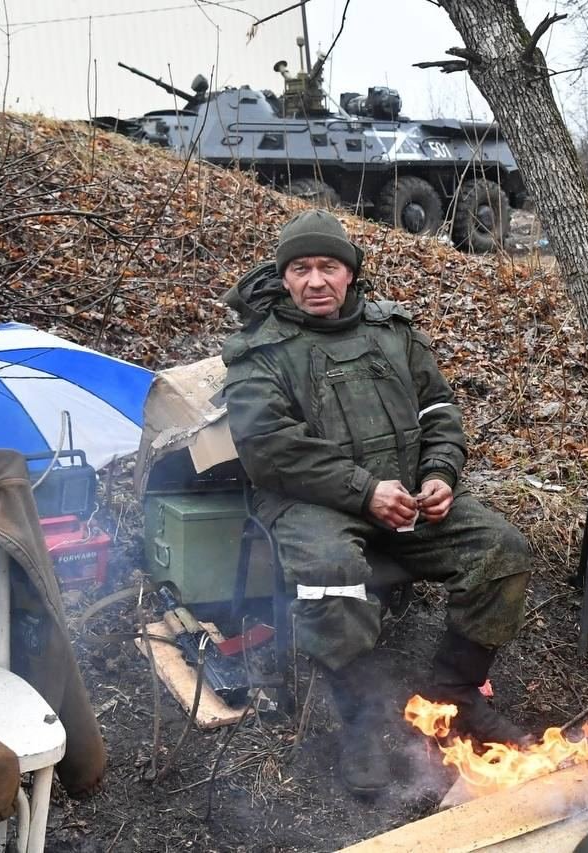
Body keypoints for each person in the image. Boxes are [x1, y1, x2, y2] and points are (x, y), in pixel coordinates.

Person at [221, 209, 532, 797]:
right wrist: (365, 492)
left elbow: (439, 412)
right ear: (283, 277)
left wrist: (441, 474)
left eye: (329, 266)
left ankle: (458, 696)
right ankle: (359, 721)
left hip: (406, 496)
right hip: (312, 503)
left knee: (502, 549)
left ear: (350, 274)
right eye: (301, 269)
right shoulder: (260, 350)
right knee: (330, 576)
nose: (316, 281)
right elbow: (268, 450)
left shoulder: (393, 332)